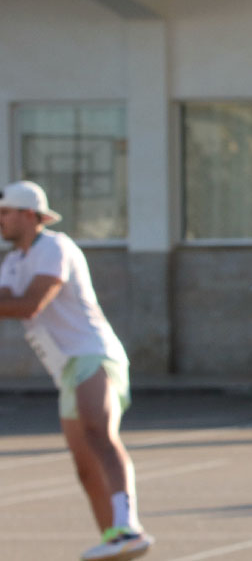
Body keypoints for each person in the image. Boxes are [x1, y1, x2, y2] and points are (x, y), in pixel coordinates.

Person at [0, 180, 153, 561]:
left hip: (95, 356)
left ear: (30, 215)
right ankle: (115, 541)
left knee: (99, 435)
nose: (0, 220)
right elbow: (4, 301)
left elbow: (29, 305)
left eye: (5, 212)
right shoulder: (12, 262)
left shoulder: (55, 247)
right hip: (65, 369)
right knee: (85, 468)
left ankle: (130, 525)